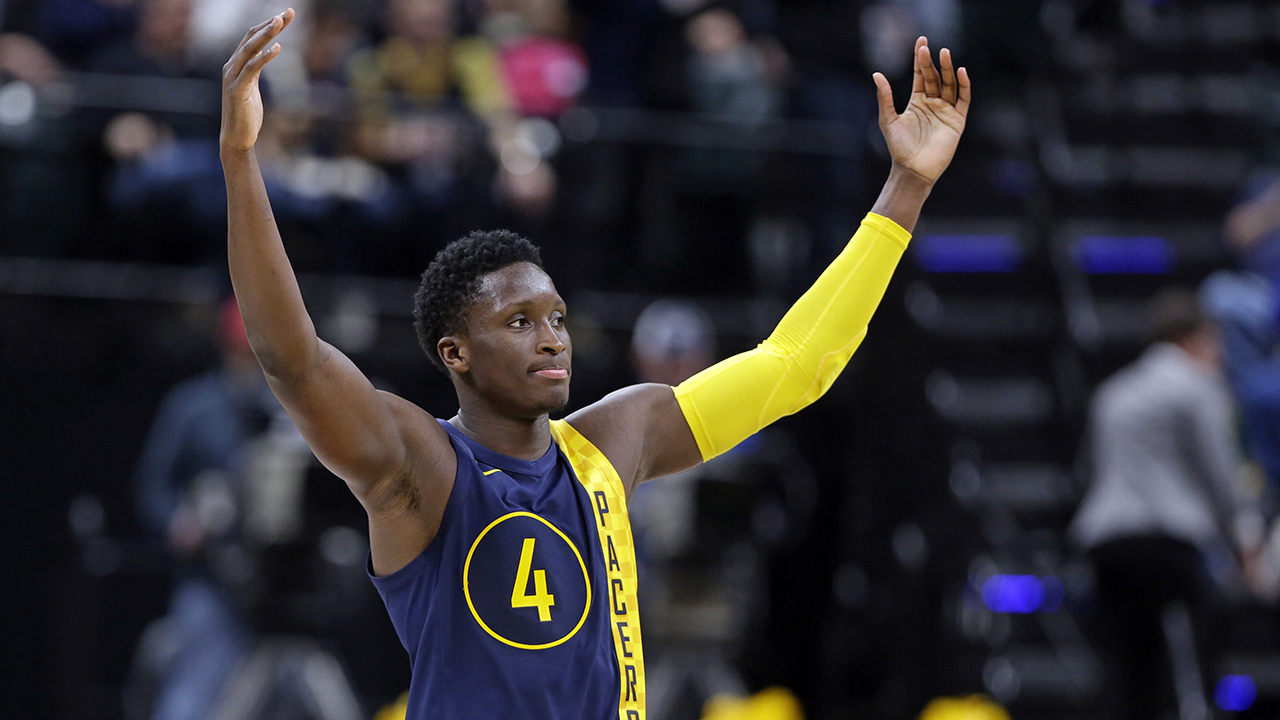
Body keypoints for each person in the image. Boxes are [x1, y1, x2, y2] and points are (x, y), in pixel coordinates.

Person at [220, 10, 970, 719]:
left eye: (556, 318)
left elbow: (796, 362)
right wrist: (241, 160)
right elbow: (294, 359)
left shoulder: (621, 435)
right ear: (456, 353)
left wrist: (907, 186)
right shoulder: (421, 464)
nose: (552, 338)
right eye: (519, 322)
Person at [1070, 289, 1264, 720]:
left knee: (1124, 669)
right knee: (1188, 665)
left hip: (1107, 544)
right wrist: (1245, 538)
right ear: (1192, 338)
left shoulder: (1114, 391)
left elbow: (1089, 470)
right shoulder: (1195, 386)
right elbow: (1220, 469)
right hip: (1165, 543)